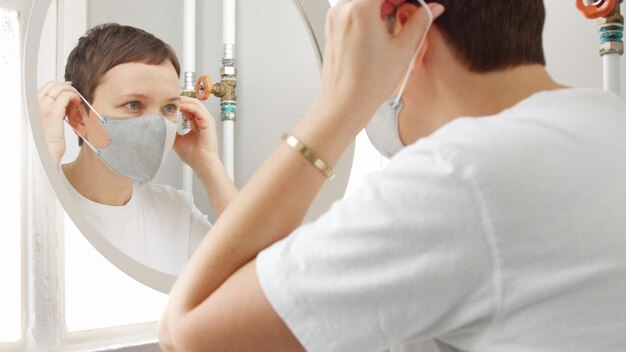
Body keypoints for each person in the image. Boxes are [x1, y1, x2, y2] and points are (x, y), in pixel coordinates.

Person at [159, 0, 626, 350]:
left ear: (401, 22)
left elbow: (187, 333)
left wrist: (340, 101)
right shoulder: (609, 123)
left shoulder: (460, 176)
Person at [38, 23, 237, 275]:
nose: (157, 125)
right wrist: (43, 157)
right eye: (133, 104)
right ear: (78, 116)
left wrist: (208, 165)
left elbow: (257, 268)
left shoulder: (175, 209)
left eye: (169, 108)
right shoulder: (41, 202)